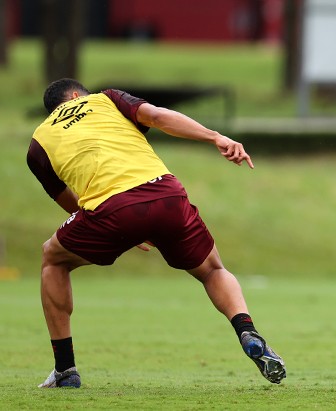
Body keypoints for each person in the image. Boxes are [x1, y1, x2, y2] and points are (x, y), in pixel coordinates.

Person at [27, 78, 286, 388]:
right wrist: (214, 136)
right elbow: (159, 117)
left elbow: (70, 203)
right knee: (212, 270)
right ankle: (245, 329)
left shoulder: (38, 144)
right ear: (75, 94)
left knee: (53, 258)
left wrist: (118, 227)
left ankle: (65, 371)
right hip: (167, 193)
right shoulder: (106, 99)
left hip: (110, 209)